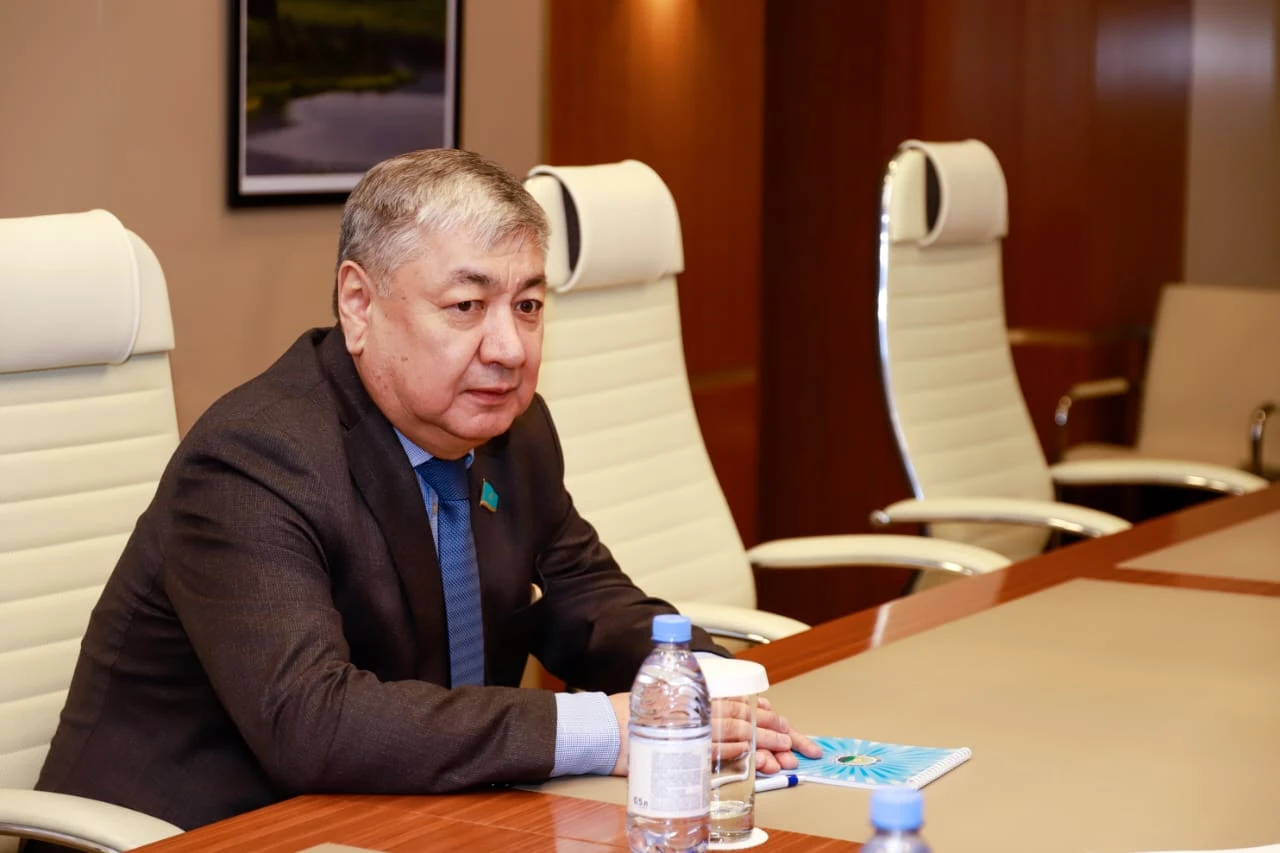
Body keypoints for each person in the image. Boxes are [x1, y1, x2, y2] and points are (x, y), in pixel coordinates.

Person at [33, 149, 819, 836]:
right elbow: (313, 722)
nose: (509, 348)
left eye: (528, 306)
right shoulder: (256, 458)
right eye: (467, 306)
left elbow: (586, 599)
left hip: (408, 818)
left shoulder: (512, 433)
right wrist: (605, 728)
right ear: (358, 304)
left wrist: (708, 686)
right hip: (210, 832)